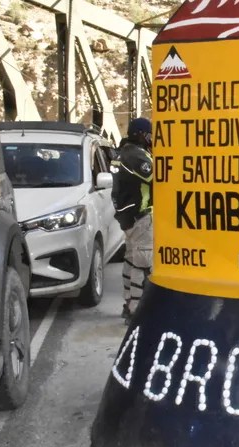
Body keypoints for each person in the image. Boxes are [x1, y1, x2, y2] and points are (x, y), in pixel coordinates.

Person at [112, 117, 153, 324]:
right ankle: (136, 311)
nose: (151, 137)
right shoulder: (137, 157)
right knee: (143, 263)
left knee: (130, 259)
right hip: (141, 215)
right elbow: (155, 177)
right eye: (149, 133)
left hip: (127, 216)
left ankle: (128, 303)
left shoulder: (123, 153)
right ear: (141, 134)